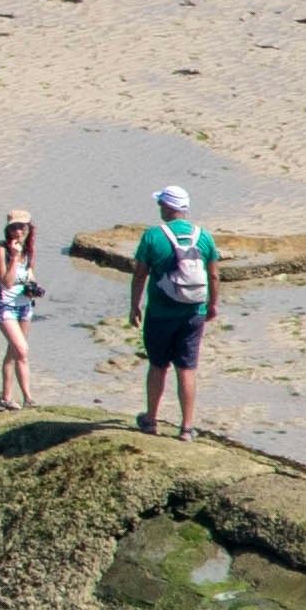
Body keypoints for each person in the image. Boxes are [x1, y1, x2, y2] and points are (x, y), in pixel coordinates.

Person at [132, 183, 216, 434]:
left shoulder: (152, 236)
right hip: (194, 312)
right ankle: (187, 427)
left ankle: (151, 420)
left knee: (158, 365)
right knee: (187, 369)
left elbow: (139, 275)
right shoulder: (204, 236)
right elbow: (213, 276)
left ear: (167, 207)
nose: (159, 207)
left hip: (159, 313)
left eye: (160, 203)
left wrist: (134, 305)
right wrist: (212, 304)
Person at [0, 215, 48, 410]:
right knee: (22, 350)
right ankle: (28, 398)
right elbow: (7, 282)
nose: (19, 232)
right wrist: (13, 258)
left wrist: (34, 288)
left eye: (23, 227)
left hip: (24, 305)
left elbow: (30, 275)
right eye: (14, 228)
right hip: (5, 306)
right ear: (8, 230)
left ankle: (8, 396)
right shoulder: (0, 252)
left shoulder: (28, 252)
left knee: (13, 352)